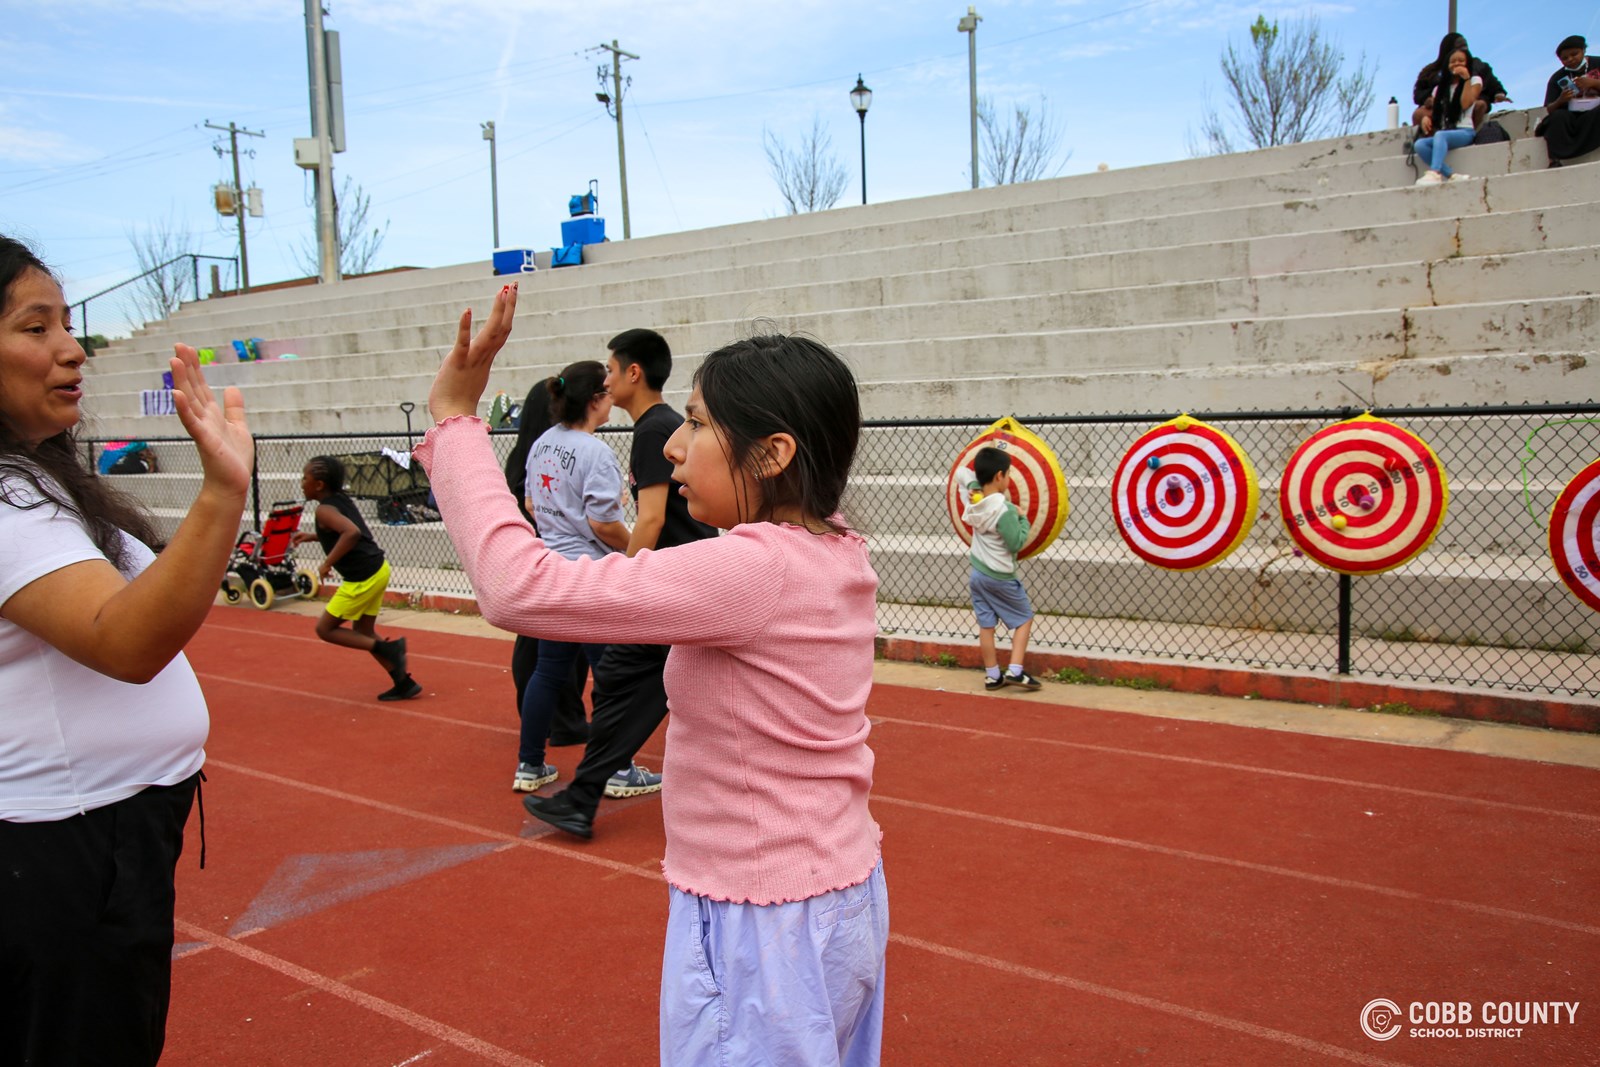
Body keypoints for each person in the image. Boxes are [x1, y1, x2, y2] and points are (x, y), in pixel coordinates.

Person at [416, 286, 888, 1066]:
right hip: (838, 891)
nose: (673, 445)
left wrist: (457, 423)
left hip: (761, 917)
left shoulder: (750, 568)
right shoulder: (836, 546)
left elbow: (515, 587)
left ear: (773, 455)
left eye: (698, 423)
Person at [0, 235, 253, 1064]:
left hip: (100, 837)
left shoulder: (36, 477)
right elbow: (127, 638)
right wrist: (223, 491)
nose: (73, 348)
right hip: (64, 851)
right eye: (35, 328)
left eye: (67, 324)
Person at [523, 327, 717, 839]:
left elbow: (650, 520)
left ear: (634, 373)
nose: (605, 381)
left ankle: (584, 798)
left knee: (625, 680)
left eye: (610, 371)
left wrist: (624, 585)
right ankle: (584, 797)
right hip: (678, 580)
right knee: (634, 685)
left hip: (670, 584)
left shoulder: (654, 430)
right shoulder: (657, 427)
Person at [511, 360, 629, 792]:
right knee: (611, 676)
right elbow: (604, 525)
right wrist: (638, 549)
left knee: (548, 669)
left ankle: (530, 765)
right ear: (596, 399)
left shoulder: (542, 442)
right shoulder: (596, 452)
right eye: (607, 391)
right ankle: (617, 768)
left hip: (551, 570)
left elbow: (529, 502)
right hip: (588, 576)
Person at [503, 378, 590, 747]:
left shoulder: (530, 453)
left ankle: (541, 735)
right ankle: (596, 744)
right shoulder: (555, 454)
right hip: (561, 563)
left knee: (545, 657)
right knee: (572, 657)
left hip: (536, 563)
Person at [292, 455, 421, 701]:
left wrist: (326, 563)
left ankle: (389, 648)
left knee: (325, 629)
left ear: (318, 485)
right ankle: (403, 682)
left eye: (304, 478)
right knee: (362, 630)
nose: (301, 483)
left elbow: (350, 533)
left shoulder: (324, 509)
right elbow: (342, 532)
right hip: (377, 569)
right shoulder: (338, 501)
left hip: (362, 578)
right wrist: (310, 536)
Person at [961, 446, 1042, 692]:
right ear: (999, 476)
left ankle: (992, 675)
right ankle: (1015, 671)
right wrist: (1022, 518)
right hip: (1000, 576)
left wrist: (975, 486)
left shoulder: (974, 502)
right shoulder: (1004, 510)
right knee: (1024, 619)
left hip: (978, 574)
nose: (1008, 479)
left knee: (986, 625)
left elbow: (960, 476)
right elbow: (1016, 542)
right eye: (1007, 474)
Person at [1412, 43, 1482, 186]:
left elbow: (1465, 103)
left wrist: (1466, 80)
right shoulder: (1439, 89)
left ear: (1467, 63)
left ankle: (1435, 173)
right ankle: (1451, 175)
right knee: (1420, 145)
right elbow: (1439, 112)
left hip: (1464, 131)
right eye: (1453, 61)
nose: (1456, 64)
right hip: (1446, 130)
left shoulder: (1475, 81)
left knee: (1440, 135)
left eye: (1461, 61)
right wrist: (1426, 118)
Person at [1410, 32, 1507, 127]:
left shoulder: (1478, 66)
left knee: (1480, 105)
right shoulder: (1431, 71)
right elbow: (1418, 94)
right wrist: (1428, 99)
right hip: (1440, 109)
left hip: (1468, 109)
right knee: (1418, 114)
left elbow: (1494, 85)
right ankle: (1434, 137)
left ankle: (1470, 137)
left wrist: (1498, 94)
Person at [1536, 35, 1600, 167]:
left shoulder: (1598, 63)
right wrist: (1561, 100)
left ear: (1583, 51)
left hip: (1596, 111)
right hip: (1573, 116)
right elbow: (1549, 108)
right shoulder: (1557, 78)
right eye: (1564, 58)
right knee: (1556, 118)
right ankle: (1555, 159)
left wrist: (1594, 83)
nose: (1570, 59)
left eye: (1574, 54)